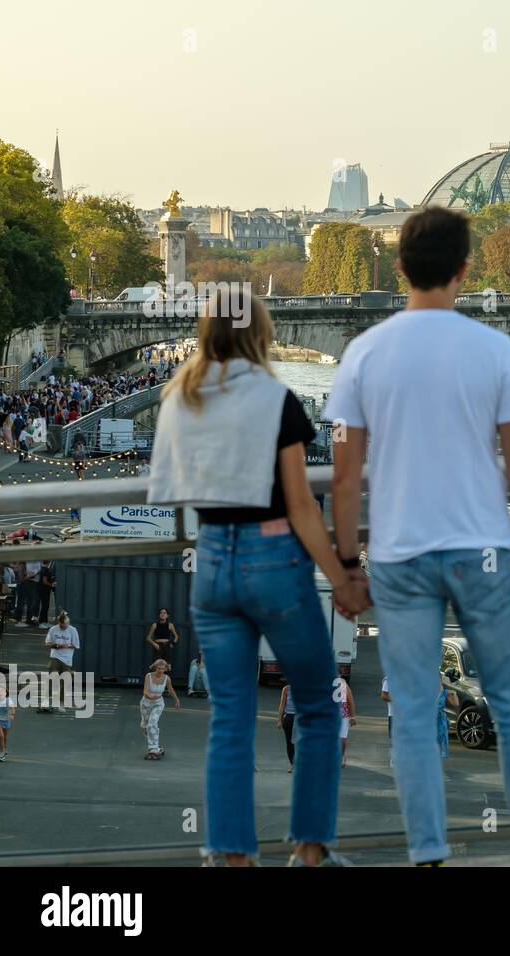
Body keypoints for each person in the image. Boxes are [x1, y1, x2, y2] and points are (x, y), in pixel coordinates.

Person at [326, 207, 510, 867]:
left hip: (399, 554)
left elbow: (347, 476)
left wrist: (348, 565)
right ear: (464, 271)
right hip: (481, 550)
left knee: (413, 714)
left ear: (399, 268)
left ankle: (430, 856)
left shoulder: (364, 353)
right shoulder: (493, 350)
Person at [148, 287, 369, 868]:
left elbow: (178, 492)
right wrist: (343, 576)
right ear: (259, 334)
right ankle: (310, 849)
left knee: (230, 720)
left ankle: (233, 858)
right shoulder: (276, 399)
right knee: (319, 706)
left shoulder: (179, 398)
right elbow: (300, 505)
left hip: (213, 562)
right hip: (273, 560)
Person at [140, 659, 180, 759]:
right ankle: (154, 744)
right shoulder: (148, 676)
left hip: (158, 704)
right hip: (146, 704)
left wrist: (176, 700)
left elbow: (170, 689)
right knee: (145, 725)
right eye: (159, 668)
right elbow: (145, 691)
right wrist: (150, 695)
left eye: (163, 669)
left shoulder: (167, 678)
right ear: (155, 668)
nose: (160, 670)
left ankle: (153, 749)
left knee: (152, 724)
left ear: (166, 669)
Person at [41, 611, 80, 713]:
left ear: (68, 623)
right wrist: (56, 646)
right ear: (59, 623)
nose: (64, 628)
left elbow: (76, 645)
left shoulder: (73, 630)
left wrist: (68, 645)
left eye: (65, 626)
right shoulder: (53, 630)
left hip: (67, 659)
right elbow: (47, 643)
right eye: (62, 626)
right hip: (55, 657)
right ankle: (46, 700)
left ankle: (61, 703)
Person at [0, 666, 14, 765]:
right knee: (0, 736)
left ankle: (4, 750)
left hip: (6, 720)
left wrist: (12, 714)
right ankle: (2, 754)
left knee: (4, 738)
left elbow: (13, 708)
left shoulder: (8, 700)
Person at [334, 675, 356, 768]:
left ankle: (342, 756)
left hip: (344, 715)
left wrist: (353, 716)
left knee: (342, 738)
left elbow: (350, 700)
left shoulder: (343, 685)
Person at [277, 682, 297, 770]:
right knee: (289, 742)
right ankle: (293, 764)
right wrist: (279, 720)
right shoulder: (286, 689)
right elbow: (282, 704)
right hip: (288, 717)